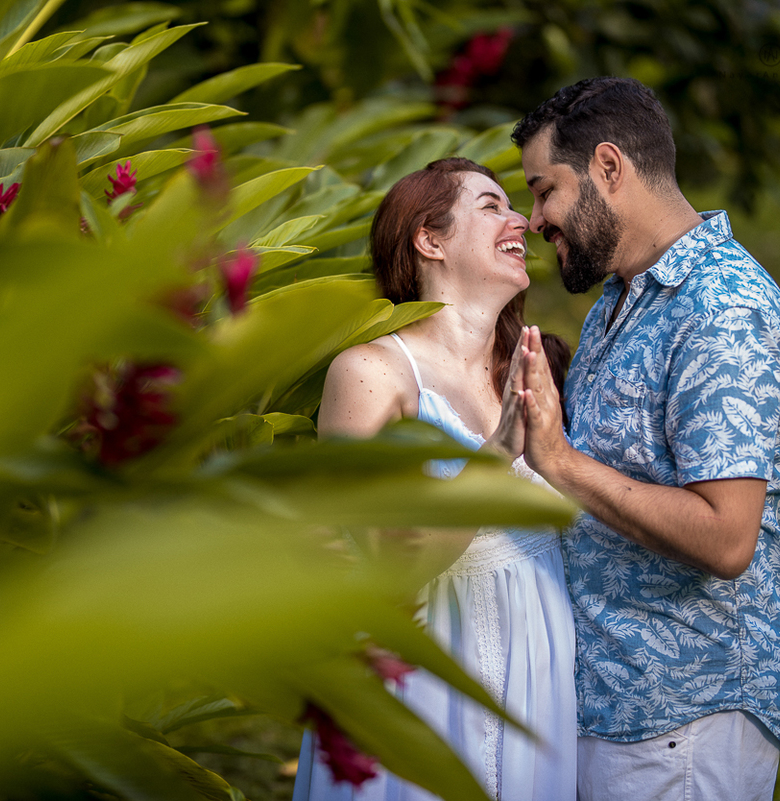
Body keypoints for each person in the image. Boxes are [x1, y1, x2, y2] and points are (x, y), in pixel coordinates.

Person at [509, 77, 780, 801]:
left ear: (609, 167)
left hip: (685, 713)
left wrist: (563, 464)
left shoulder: (722, 308)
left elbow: (726, 538)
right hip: (614, 704)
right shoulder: (623, 296)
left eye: (545, 189)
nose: (535, 217)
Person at [291, 157, 576, 801]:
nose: (522, 222)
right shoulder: (371, 373)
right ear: (430, 239)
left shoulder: (536, 366)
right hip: (423, 672)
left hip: (536, 671)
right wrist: (497, 454)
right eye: (491, 206)